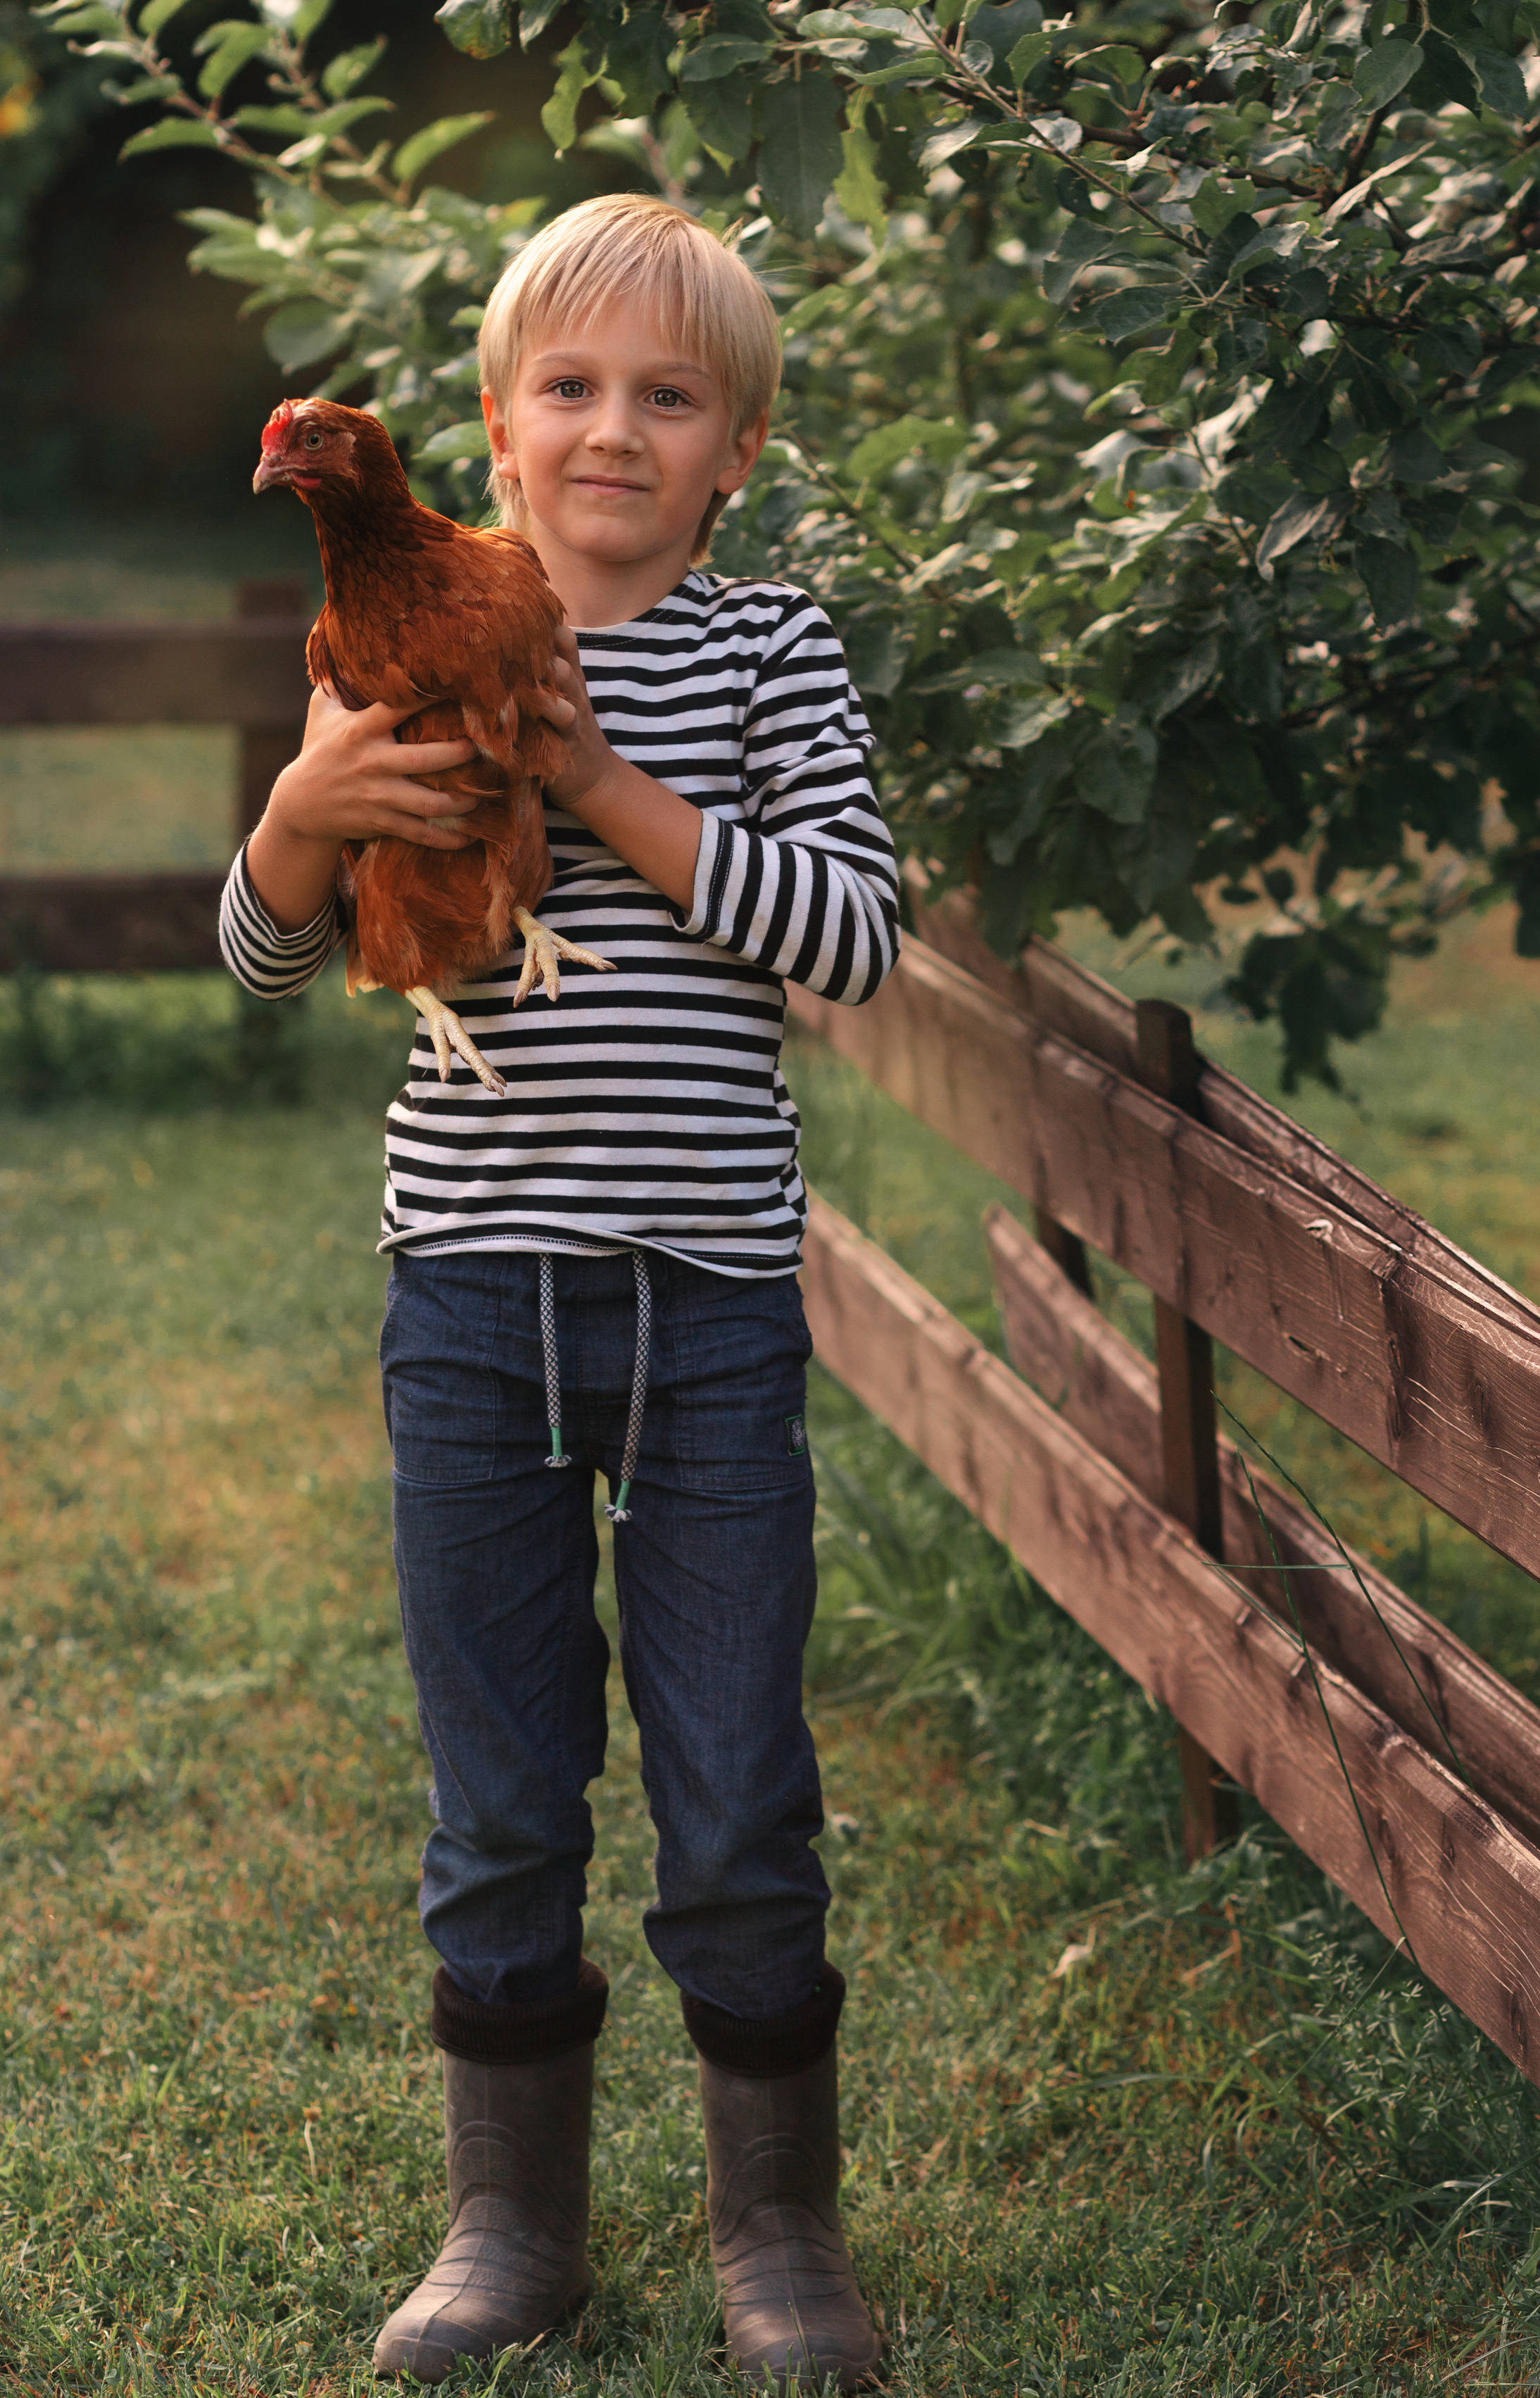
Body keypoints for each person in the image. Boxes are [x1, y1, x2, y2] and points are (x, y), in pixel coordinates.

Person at [218, 193, 897, 2390]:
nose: (618, 429)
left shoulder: (770, 654)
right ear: (497, 428)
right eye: (573, 388)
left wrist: (597, 776)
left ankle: (775, 2224)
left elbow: (855, 941)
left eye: (670, 398)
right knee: (500, 1778)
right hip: (468, 1300)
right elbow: (259, 964)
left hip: (705, 1305)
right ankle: (509, 2216)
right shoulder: (381, 636)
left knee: (735, 1771)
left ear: (737, 453)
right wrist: (307, 807)